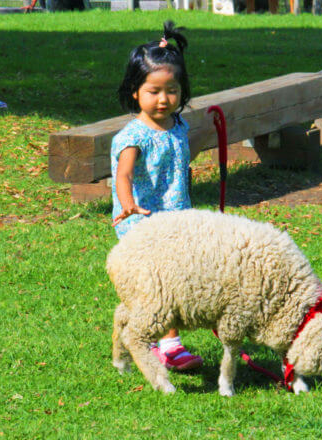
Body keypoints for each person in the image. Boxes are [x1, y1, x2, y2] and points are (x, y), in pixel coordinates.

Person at [110, 21, 203, 371]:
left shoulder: (178, 126)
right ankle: (169, 345)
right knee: (160, 284)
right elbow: (124, 173)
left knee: (173, 281)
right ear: (135, 91)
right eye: (154, 91)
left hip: (174, 217)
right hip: (141, 222)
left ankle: (145, 336)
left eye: (172, 90)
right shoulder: (134, 136)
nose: (163, 99)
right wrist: (128, 201)